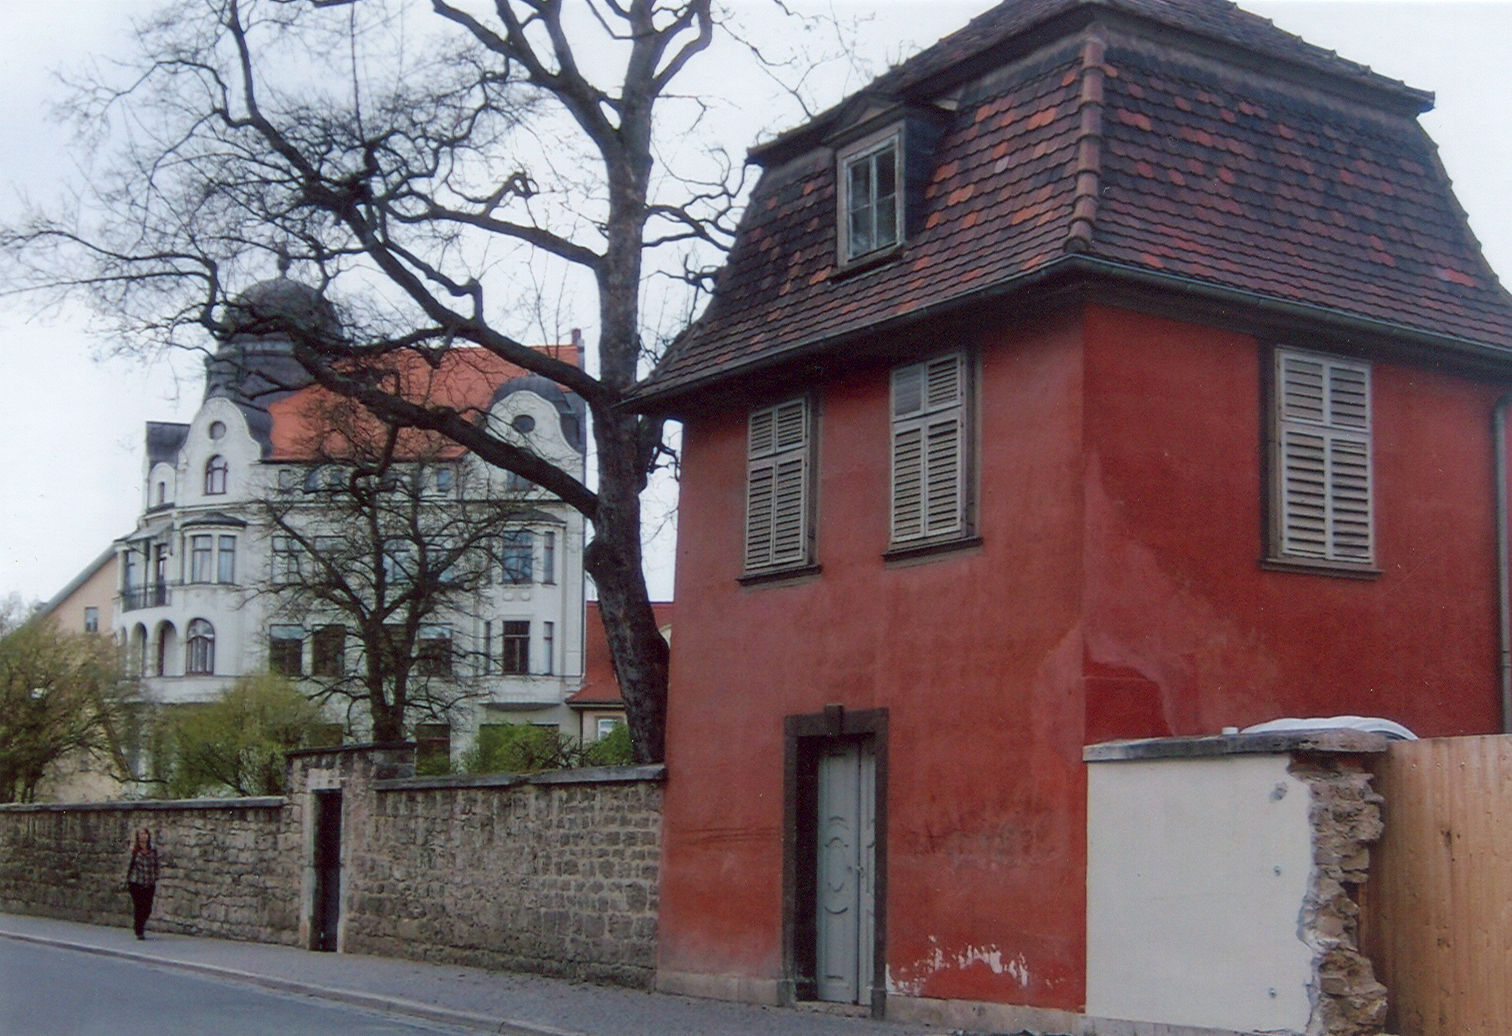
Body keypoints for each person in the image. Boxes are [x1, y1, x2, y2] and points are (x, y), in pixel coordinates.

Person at [124, 828, 160, 940]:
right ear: (138, 836)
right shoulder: (135, 850)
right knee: (139, 906)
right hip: (136, 882)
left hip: (149, 881)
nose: (143, 836)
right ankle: (139, 930)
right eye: (141, 834)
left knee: (147, 908)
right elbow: (129, 865)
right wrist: (127, 879)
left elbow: (156, 864)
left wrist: (156, 875)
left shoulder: (153, 850)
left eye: (145, 834)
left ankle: (139, 925)